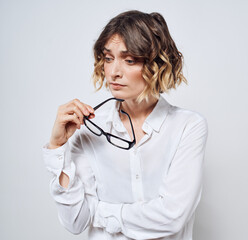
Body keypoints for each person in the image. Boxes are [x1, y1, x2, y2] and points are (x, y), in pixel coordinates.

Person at [43, 10, 208, 240]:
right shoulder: (89, 129)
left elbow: (172, 217)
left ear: (156, 64)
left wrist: (100, 213)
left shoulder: (187, 127)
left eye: (129, 60)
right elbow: (76, 221)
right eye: (108, 58)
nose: (114, 72)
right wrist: (58, 146)